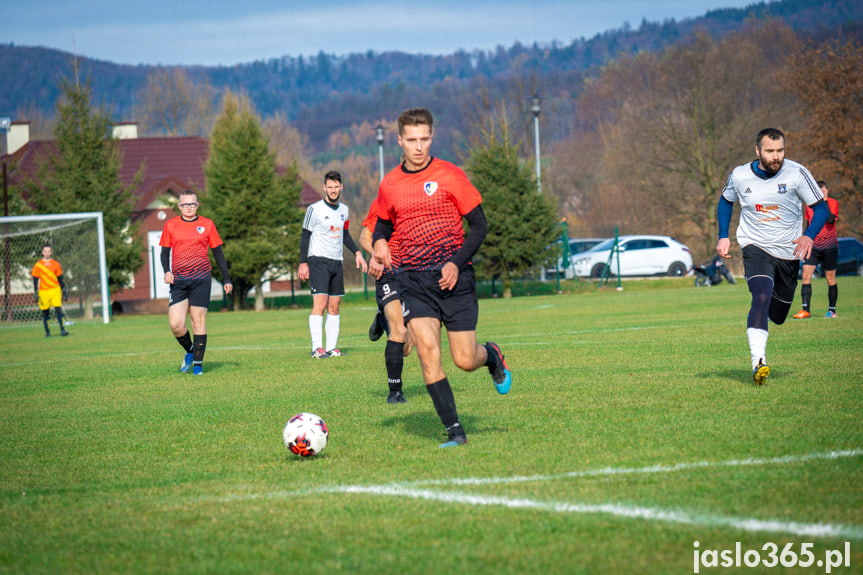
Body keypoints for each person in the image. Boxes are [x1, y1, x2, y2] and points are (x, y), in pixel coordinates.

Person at [371, 107, 511, 447]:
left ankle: (491, 356)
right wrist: (379, 243)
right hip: (414, 282)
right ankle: (455, 431)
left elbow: (479, 225)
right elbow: (383, 223)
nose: (418, 147)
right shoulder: (390, 183)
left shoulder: (450, 175)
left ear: (432, 138)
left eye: (425, 139)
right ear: (400, 140)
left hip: (455, 280)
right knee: (426, 352)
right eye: (412, 140)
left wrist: (456, 262)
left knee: (464, 360)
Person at [716, 128, 830, 385]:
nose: (775, 156)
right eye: (770, 151)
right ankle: (758, 361)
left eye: (780, 150)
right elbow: (726, 200)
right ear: (758, 151)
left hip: (788, 253)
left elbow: (820, 207)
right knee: (761, 296)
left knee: (777, 315)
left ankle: (761, 320)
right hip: (755, 246)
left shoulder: (797, 173)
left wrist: (809, 235)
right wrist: (724, 234)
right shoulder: (740, 175)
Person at [160, 190, 232, 375]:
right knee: (176, 324)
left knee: (198, 321)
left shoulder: (207, 224)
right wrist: (167, 271)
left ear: (197, 205)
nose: (189, 207)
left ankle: (198, 365)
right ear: (179, 206)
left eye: (192, 204)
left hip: (201, 279)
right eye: (185, 204)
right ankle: (191, 351)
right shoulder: (171, 225)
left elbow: (218, 252)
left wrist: (226, 278)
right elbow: (164, 253)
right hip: (179, 281)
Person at [298, 170, 368, 358]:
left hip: (337, 261)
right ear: (324, 187)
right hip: (318, 260)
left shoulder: (344, 210)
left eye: (336, 187)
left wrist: (358, 253)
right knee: (320, 304)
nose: (333, 190)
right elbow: (305, 236)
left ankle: (331, 348)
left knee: (335, 305)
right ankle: (316, 349)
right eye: (330, 187)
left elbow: (345, 235)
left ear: (341, 187)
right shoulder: (314, 209)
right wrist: (303, 263)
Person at [360, 196, 413, 404]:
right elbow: (366, 236)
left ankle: (382, 319)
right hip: (389, 273)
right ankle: (395, 392)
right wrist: (375, 254)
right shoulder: (386, 201)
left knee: (406, 347)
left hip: (415, 276)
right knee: (398, 331)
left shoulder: (424, 203)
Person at [793, 180, 839, 319]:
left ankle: (831, 311)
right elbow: (809, 225)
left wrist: (824, 200)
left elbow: (830, 220)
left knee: (830, 278)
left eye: (823, 190)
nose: (820, 192)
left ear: (827, 190)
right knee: (806, 275)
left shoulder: (832, 203)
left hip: (830, 247)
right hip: (814, 246)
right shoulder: (809, 206)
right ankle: (805, 310)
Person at [31, 244, 69, 337]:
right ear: (42, 252)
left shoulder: (56, 263)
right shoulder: (38, 265)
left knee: (58, 309)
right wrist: (36, 292)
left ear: (51, 252)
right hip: (44, 291)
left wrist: (64, 289)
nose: (47, 253)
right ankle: (47, 332)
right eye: (45, 251)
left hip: (55, 290)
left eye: (49, 251)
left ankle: (62, 330)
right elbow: (35, 279)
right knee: (45, 312)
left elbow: (60, 277)